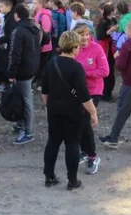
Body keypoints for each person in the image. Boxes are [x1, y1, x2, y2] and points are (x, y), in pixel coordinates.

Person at [42, 31, 100, 190]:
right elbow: (84, 95)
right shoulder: (77, 67)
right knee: (72, 144)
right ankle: (72, 180)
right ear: (74, 48)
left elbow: (45, 91)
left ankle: (49, 176)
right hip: (73, 111)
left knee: (53, 142)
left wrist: (49, 106)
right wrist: (93, 113)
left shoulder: (51, 63)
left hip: (54, 109)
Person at [100, 18, 131, 154]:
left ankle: (113, 138)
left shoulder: (127, 46)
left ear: (130, 31)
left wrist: (117, 56)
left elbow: (121, 66)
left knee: (122, 110)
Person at [74, 23, 108, 176]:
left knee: (84, 121)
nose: (85, 37)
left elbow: (104, 71)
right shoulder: (73, 49)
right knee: (78, 121)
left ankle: (92, 156)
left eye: (87, 34)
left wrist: (85, 73)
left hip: (93, 91)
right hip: (76, 91)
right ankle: (83, 150)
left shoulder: (97, 48)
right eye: (81, 34)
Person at [8, 4, 40, 145]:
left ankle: (28, 131)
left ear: (16, 15)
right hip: (33, 67)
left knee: (26, 100)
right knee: (22, 98)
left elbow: (15, 54)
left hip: (23, 70)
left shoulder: (18, 31)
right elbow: (45, 41)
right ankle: (21, 124)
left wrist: (11, 72)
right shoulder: (36, 28)